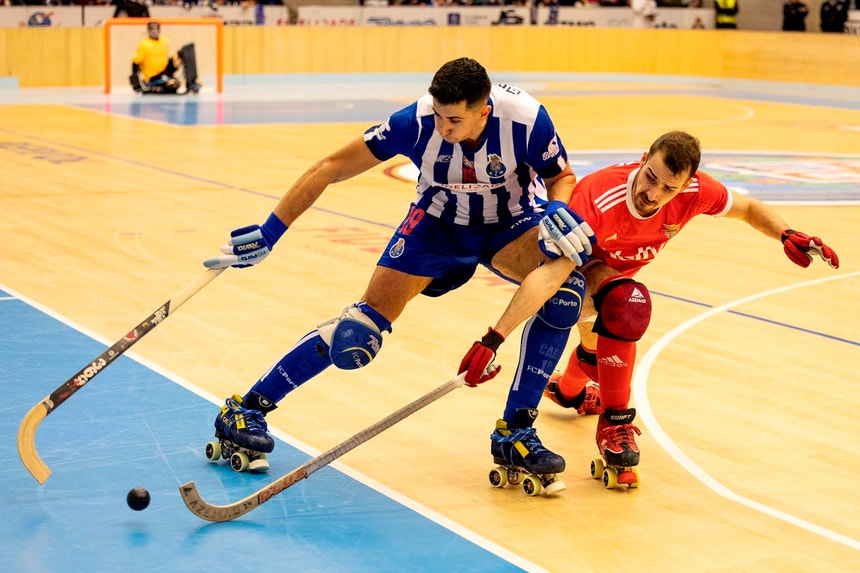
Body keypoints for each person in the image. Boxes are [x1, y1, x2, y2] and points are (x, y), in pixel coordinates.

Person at [203, 57, 595, 477]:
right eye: (439, 115)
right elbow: (330, 167)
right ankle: (245, 411)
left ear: (484, 111)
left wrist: (557, 207)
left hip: (510, 223)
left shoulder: (527, 120)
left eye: (454, 120)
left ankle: (515, 433)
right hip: (437, 225)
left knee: (565, 294)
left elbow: (562, 175)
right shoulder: (415, 121)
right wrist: (270, 231)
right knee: (358, 331)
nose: (443, 128)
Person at [472, 130, 839, 478]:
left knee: (596, 344)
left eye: (669, 188)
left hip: (613, 278)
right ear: (643, 159)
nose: (654, 193)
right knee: (624, 305)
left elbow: (748, 208)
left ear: (687, 184)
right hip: (580, 268)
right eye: (650, 177)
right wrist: (495, 338)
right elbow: (552, 275)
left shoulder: (697, 192)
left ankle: (570, 392)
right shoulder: (599, 196)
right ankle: (613, 426)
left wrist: (785, 233)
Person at [130, 21, 200, 95]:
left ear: (159, 30)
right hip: (153, 76)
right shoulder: (143, 44)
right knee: (173, 85)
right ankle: (158, 86)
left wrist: (176, 62)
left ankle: (191, 82)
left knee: (187, 50)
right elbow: (135, 62)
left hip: (165, 70)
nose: (154, 31)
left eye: (156, 29)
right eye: (152, 29)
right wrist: (136, 85)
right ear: (148, 31)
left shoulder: (165, 41)